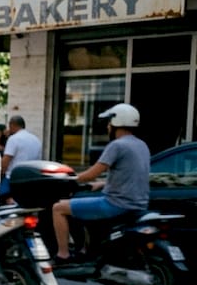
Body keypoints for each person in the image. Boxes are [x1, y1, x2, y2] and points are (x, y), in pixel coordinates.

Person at [52, 103, 150, 262]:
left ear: (117, 123)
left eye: (109, 122)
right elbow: (131, 175)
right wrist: (103, 183)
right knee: (80, 204)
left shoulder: (117, 145)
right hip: (138, 204)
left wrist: (70, 179)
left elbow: (92, 173)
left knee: (58, 208)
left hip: (116, 204)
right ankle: (86, 249)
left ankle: (63, 254)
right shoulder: (141, 145)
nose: (107, 126)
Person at [0, 115, 42, 202]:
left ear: (12, 125)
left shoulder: (13, 139)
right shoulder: (36, 139)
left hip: (13, 179)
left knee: (1, 196)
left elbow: (5, 162)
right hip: (31, 179)